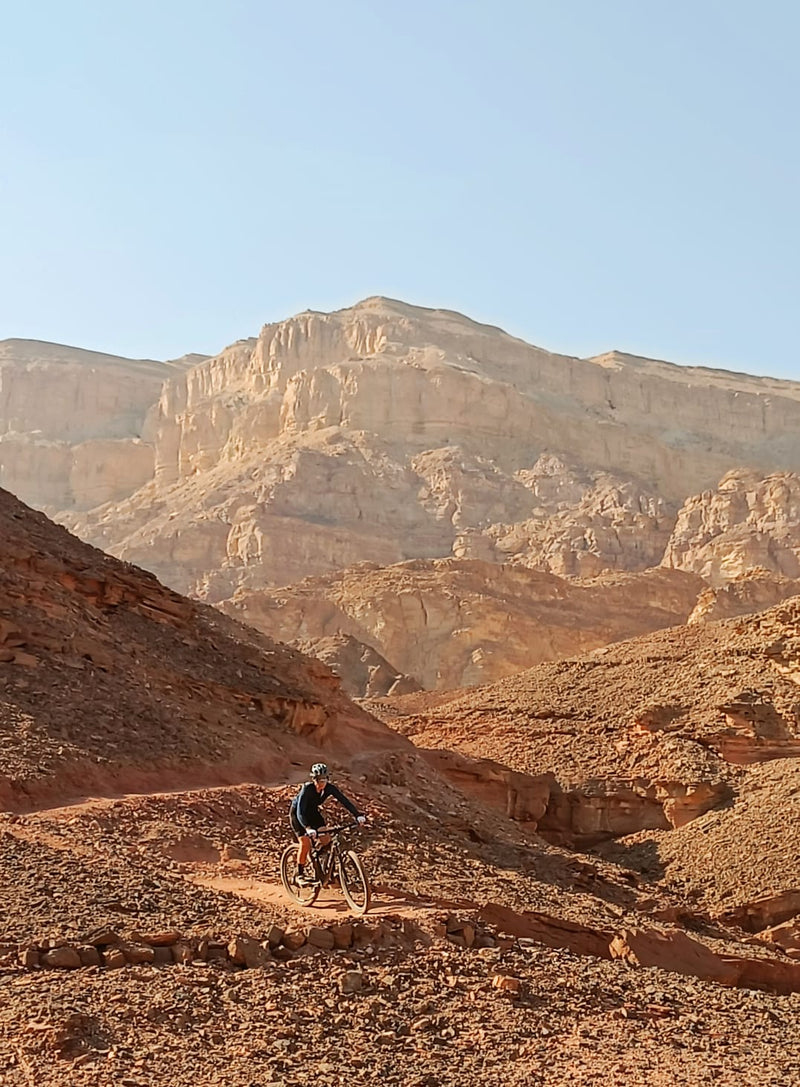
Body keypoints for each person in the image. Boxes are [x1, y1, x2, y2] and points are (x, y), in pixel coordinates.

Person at [289, 763, 366, 883]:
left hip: (313, 812)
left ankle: (326, 870)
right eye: (319, 780)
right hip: (299, 815)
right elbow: (300, 811)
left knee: (327, 840)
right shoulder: (307, 789)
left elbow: (344, 800)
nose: (322, 783)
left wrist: (357, 815)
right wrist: (308, 828)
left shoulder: (329, 788)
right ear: (314, 779)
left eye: (324, 779)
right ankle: (298, 874)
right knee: (305, 843)